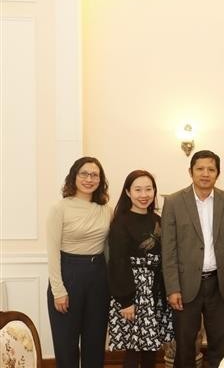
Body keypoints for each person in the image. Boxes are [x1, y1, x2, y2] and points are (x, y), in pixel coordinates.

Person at [161, 150, 224, 367]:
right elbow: (168, 249)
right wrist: (172, 288)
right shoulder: (174, 202)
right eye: (200, 169)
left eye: (211, 169)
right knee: (185, 344)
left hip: (218, 284)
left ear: (218, 173)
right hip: (185, 286)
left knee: (218, 343)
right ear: (190, 171)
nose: (205, 173)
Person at [46, 156, 113, 367]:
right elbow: (52, 252)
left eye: (94, 175)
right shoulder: (60, 208)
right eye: (84, 173)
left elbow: (109, 249)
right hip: (69, 274)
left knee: (94, 342)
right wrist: (58, 290)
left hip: (98, 277)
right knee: (66, 344)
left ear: (100, 180)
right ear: (74, 176)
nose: (89, 179)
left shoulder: (106, 210)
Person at [107, 170, 174, 367]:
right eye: (138, 189)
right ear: (128, 192)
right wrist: (126, 301)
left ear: (154, 191)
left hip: (155, 290)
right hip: (133, 291)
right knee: (134, 347)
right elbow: (117, 262)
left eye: (148, 189)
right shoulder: (121, 221)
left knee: (151, 347)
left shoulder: (157, 219)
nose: (144, 194)